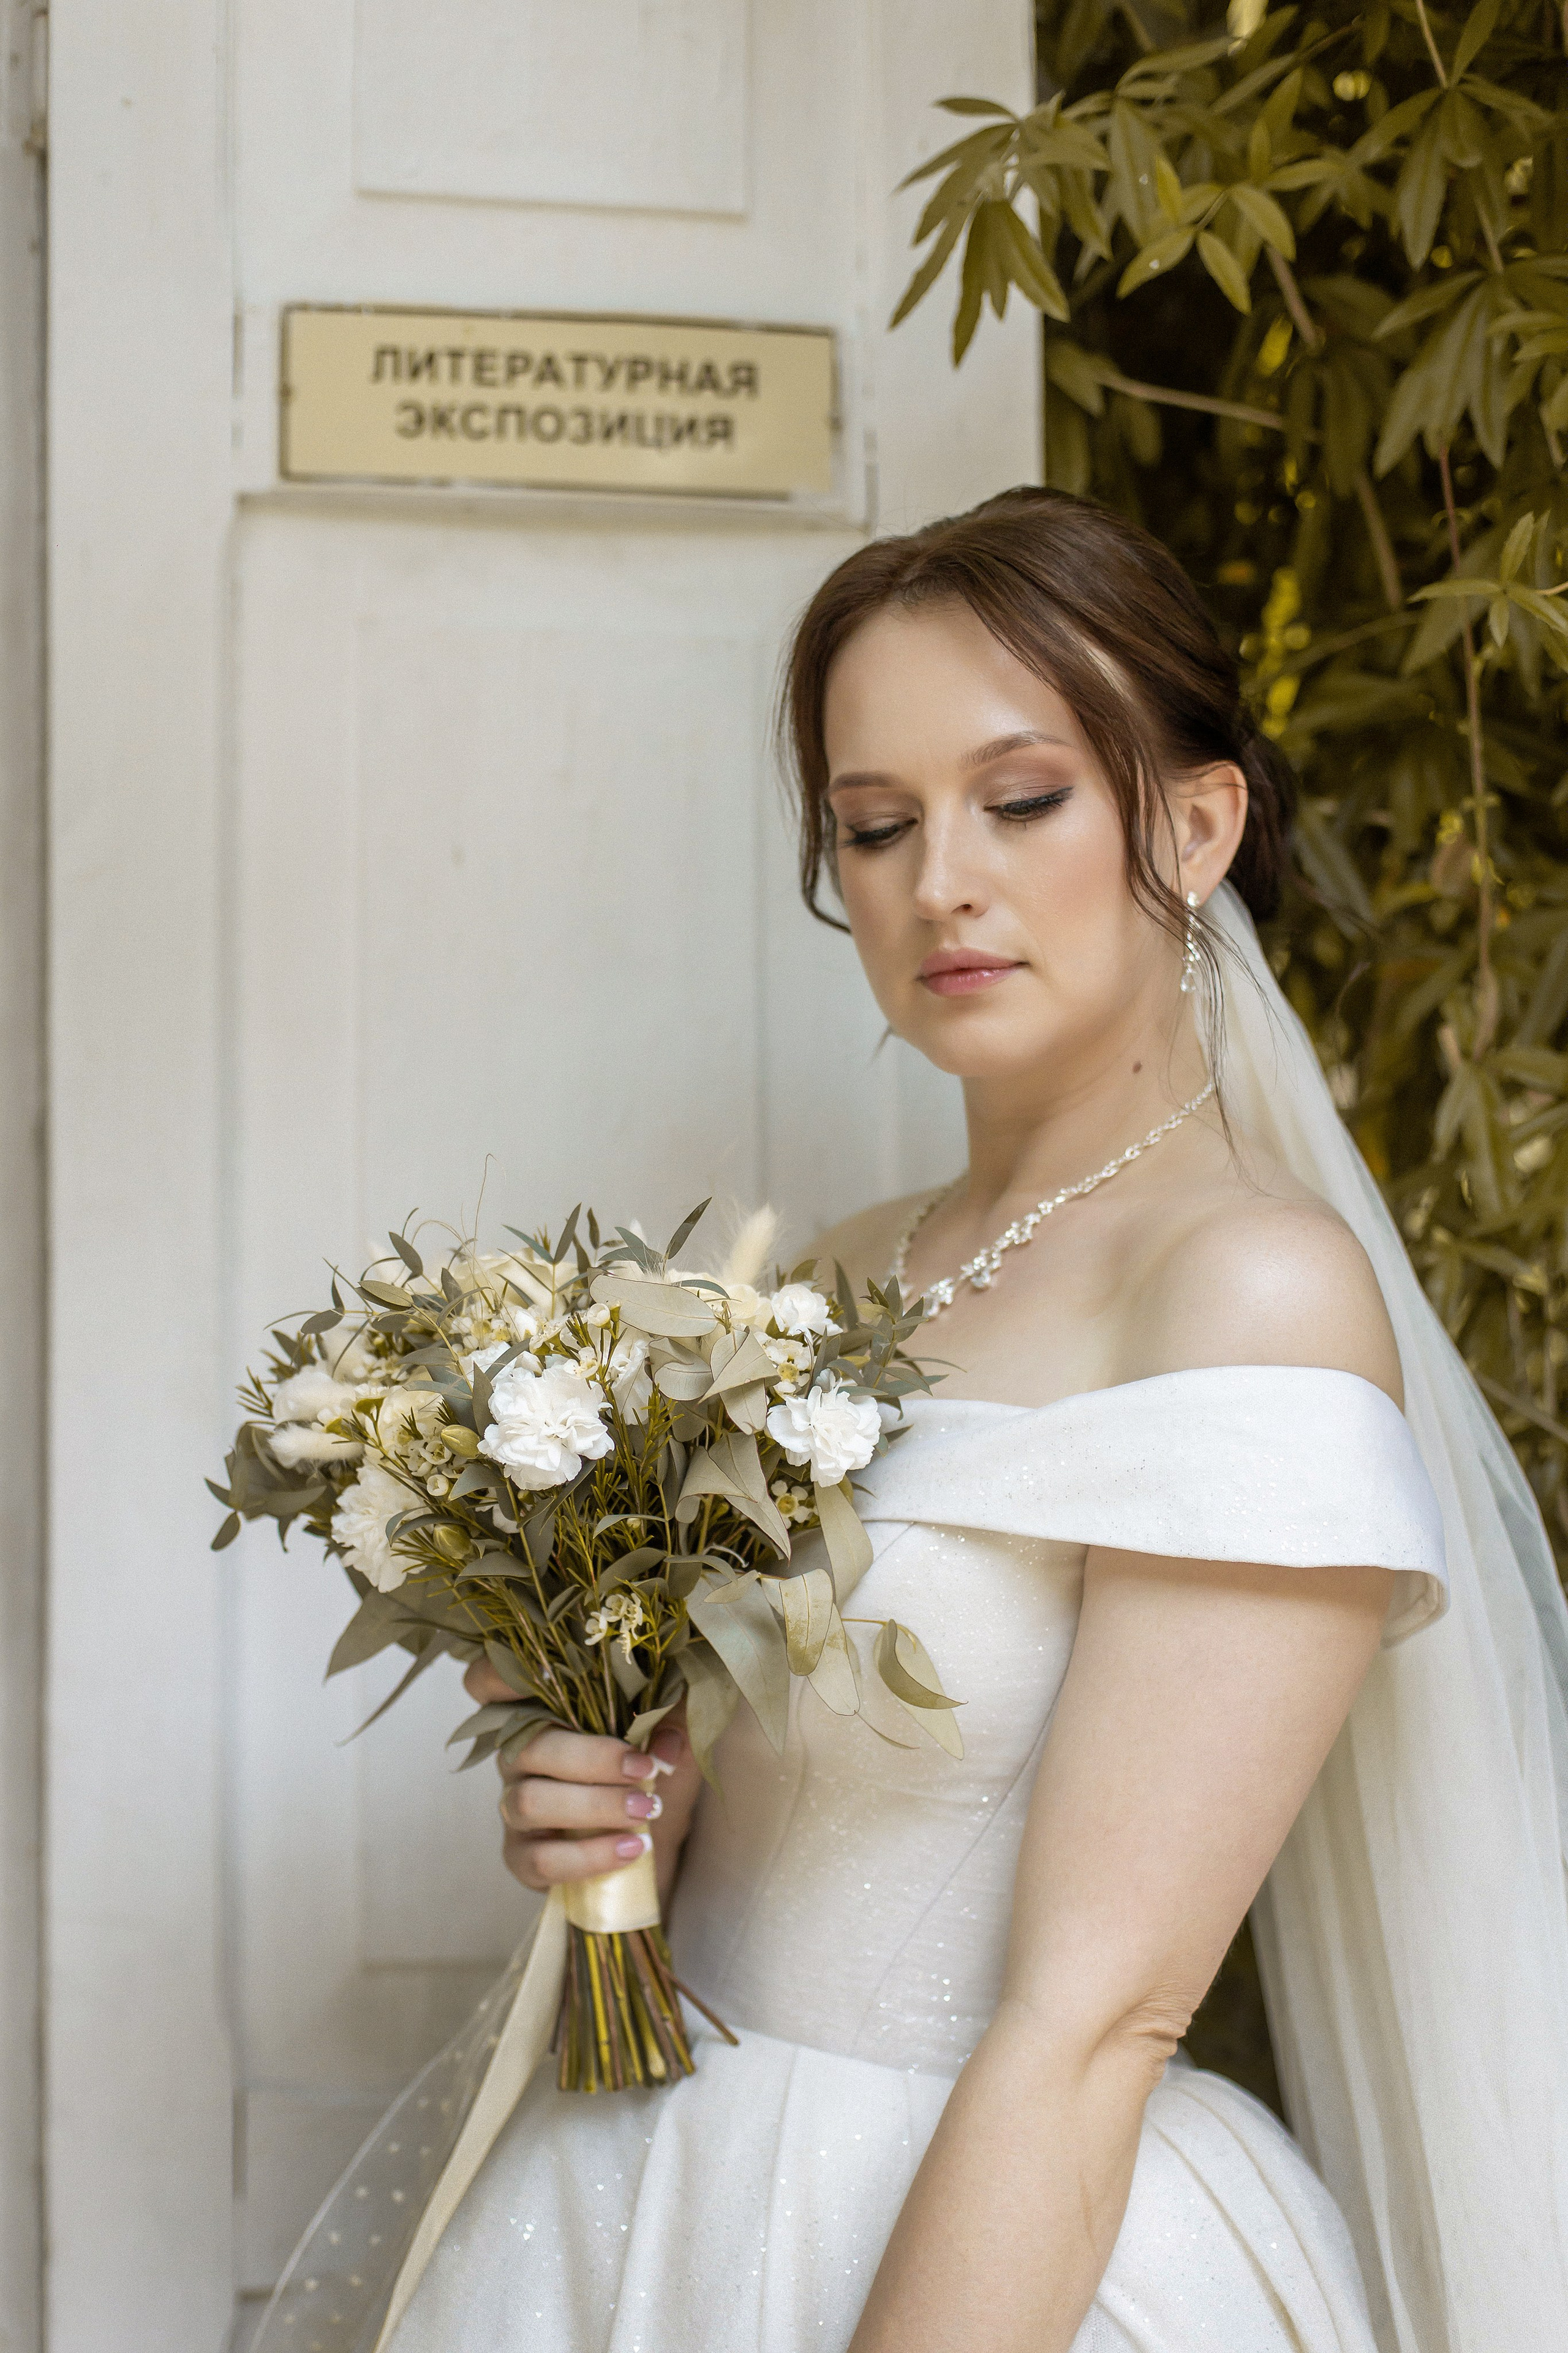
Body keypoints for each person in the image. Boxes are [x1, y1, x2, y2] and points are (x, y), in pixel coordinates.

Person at [257, 489, 1568, 2353]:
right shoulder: (831, 1276)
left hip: (1002, 2238)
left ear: (1196, 828)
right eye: (875, 826)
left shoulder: (1250, 1293)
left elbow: (1095, 2018)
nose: (939, 879)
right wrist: (611, 1809)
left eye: (1020, 800)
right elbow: (781, 1820)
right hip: (651, 2186)